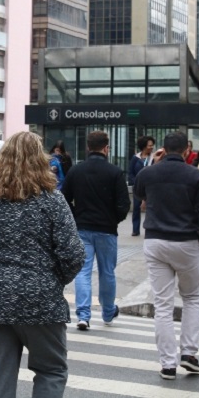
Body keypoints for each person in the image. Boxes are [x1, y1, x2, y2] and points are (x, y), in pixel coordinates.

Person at [0, 132, 85, 398]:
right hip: (41, 300)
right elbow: (73, 255)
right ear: (42, 161)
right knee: (51, 371)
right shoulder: (52, 201)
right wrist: (52, 279)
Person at [133, 131, 199, 380]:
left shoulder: (148, 172)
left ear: (163, 150)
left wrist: (154, 165)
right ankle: (188, 354)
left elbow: (139, 194)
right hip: (187, 242)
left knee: (163, 305)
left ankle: (168, 364)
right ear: (186, 151)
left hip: (156, 241)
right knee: (191, 298)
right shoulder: (195, 175)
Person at [61, 130, 129, 330]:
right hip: (107, 230)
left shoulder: (76, 171)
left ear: (88, 147)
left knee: (83, 272)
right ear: (106, 148)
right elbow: (124, 204)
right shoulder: (115, 172)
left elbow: (63, 198)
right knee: (107, 271)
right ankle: (108, 312)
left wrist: (76, 215)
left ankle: (83, 315)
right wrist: (114, 219)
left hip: (82, 227)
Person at [127, 135, 155, 236]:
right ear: (143, 146)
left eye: (152, 145)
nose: (151, 147)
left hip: (151, 187)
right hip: (138, 187)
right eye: (149, 145)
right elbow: (130, 173)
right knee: (136, 208)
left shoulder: (154, 158)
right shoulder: (136, 158)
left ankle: (151, 228)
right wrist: (136, 182)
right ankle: (135, 229)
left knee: (151, 208)